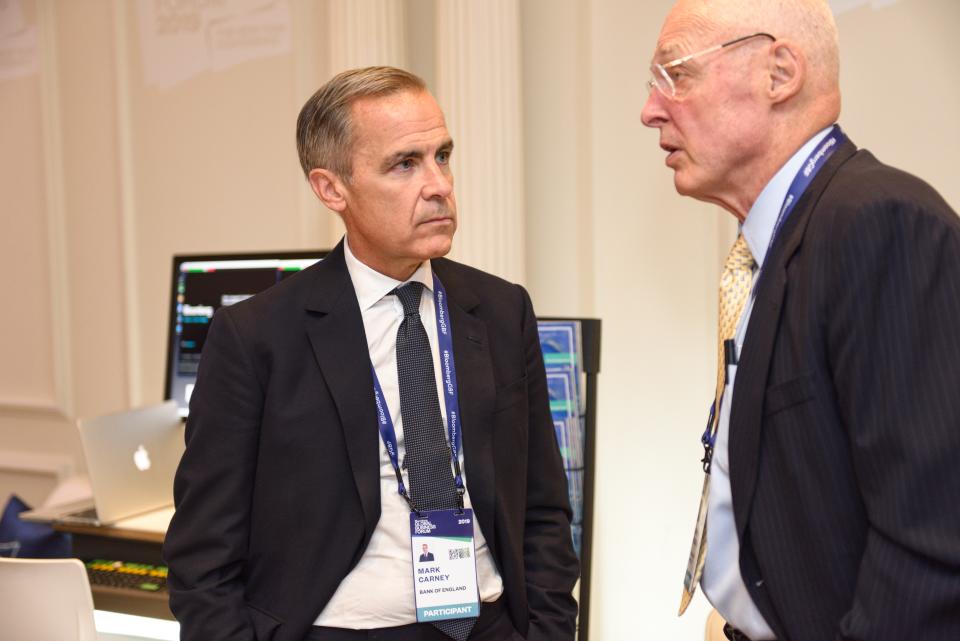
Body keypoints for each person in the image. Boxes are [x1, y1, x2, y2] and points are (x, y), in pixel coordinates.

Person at [163, 66, 578, 641]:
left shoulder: (502, 310)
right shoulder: (256, 336)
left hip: (489, 623)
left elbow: (543, 509)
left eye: (443, 156)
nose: (439, 185)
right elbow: (203, 553)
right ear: (332, 188)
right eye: (405, 164)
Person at [641, 1, 960, 640]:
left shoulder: (881, 224)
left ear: (779, 73)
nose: (650, 109)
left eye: (675, 74)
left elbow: (928, 544)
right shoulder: (779, 244)